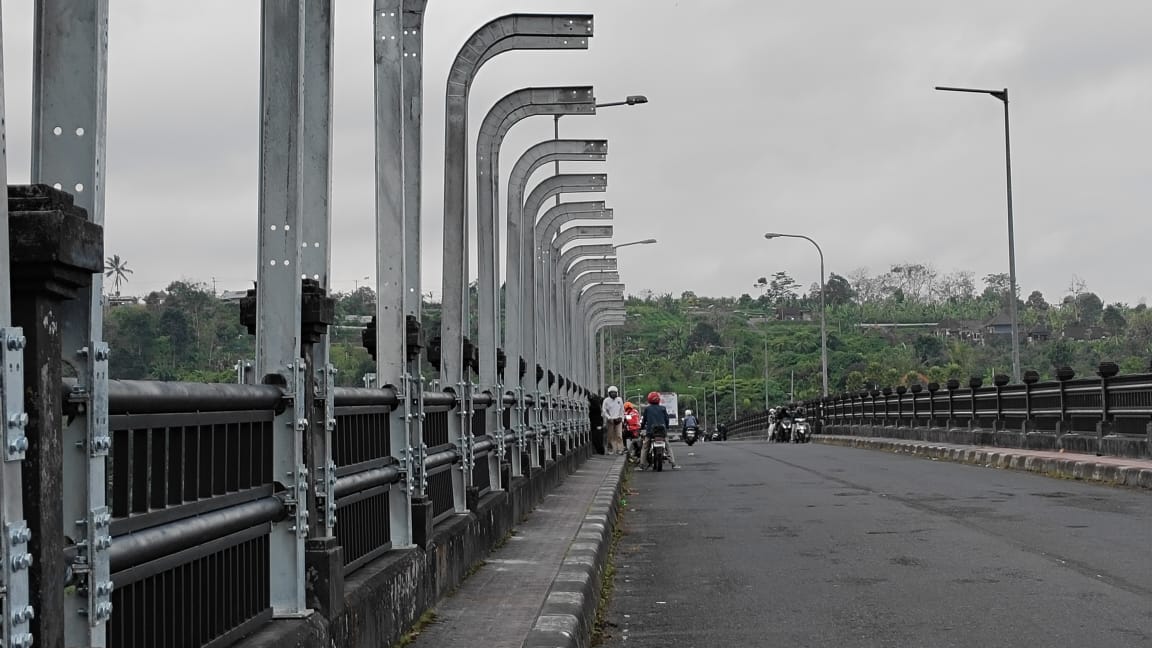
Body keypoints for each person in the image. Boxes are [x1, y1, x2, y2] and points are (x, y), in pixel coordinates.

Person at [639, 391, 679, 469]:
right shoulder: (663, 408)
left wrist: (642, 427)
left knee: (645, 447)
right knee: (668, 446)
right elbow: (667, 419)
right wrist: (667, 427)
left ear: (649, 399)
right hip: (662, 432)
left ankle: (642, 464)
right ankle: (673, 463)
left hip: (650, 432)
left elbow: (644, 420)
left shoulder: (647, 409)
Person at [601, 386, 626, 455]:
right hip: (610, 420)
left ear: (617, 393)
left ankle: (620, 449)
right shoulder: (606, 400)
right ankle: (610, 449)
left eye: (614, 392)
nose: (613, 394)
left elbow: (622, 410)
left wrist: (622, 418)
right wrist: (608, 417)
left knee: (619, 435)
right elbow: (604, 410)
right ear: (609, 393)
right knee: (610, 436)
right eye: (611, 393)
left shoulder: (619, 399)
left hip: (618, 419)